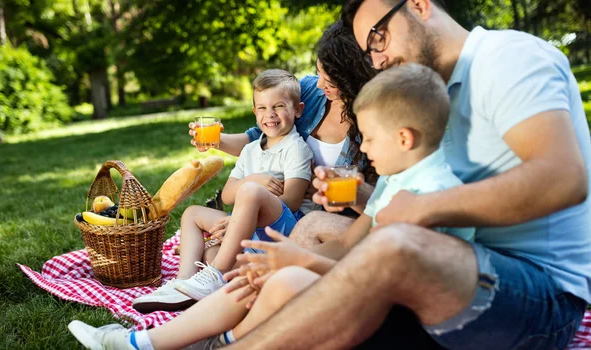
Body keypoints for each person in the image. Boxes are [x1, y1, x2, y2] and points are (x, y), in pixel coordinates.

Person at [223, 0, 591, 349]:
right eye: (368, 51)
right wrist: (366, 197)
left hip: (539, 296)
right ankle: (226, 330)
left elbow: (562, 178)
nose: (376, 58)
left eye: (378, 37)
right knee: (305, 240)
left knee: (391, 244)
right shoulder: (424, 93)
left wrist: (420, 209)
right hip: (451, 261)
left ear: (418, 5)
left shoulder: (506, 58)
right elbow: (412, 201)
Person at [66, 61, 469, 350]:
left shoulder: (422, 199)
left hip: (399, 315)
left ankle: (188, 342)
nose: (361, 147)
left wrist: (300, 260)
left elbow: (374, 279)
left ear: (404, 138)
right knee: (268, 273)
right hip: (361, 281)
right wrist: (293, 253)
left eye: (369, 138)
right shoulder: (397, 184)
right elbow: (355, 241)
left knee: (281, 277)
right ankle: (144, 342)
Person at [130, 69, 314, 313]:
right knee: (193, 215)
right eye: (262, 108)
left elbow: (290, 201)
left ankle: (215, 274)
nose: (270, 115)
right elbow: (228, 195)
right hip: (251, 232)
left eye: (279, 106)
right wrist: (255, 180)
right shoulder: (250, 150)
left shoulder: (295, 149)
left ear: (298, 110)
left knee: (249, 192)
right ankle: (184, 283)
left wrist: (250, 191)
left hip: (284, 231)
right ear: (254, 111)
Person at [191, 21, 379, 249]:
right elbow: (260, 139)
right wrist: (217, 141)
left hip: (316, 220)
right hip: (273, 212)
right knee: (210, 243)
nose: (320, 83)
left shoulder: (374, 120)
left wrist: (328, 188)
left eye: (329, 78)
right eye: (319, 71)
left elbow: (376, 197)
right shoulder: (310, 91)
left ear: (352, 76)